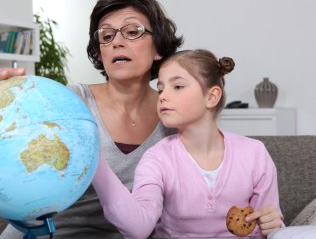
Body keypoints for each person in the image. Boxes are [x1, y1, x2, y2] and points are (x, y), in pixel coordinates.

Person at [0, 0, 183, 238]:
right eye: (106, 35)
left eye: (132, 31)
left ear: (158, 47)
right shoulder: (67, 103)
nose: (116, 42)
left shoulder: (177, 115)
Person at [92, 49, 284, 238]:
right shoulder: (157, 158)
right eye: (160, 89)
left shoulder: (254, 153)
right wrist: (95, 162)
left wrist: (274, 225)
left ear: (211, 97)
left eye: (177, 86)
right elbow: (138, 228)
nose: (163, 96)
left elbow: (266, 227)